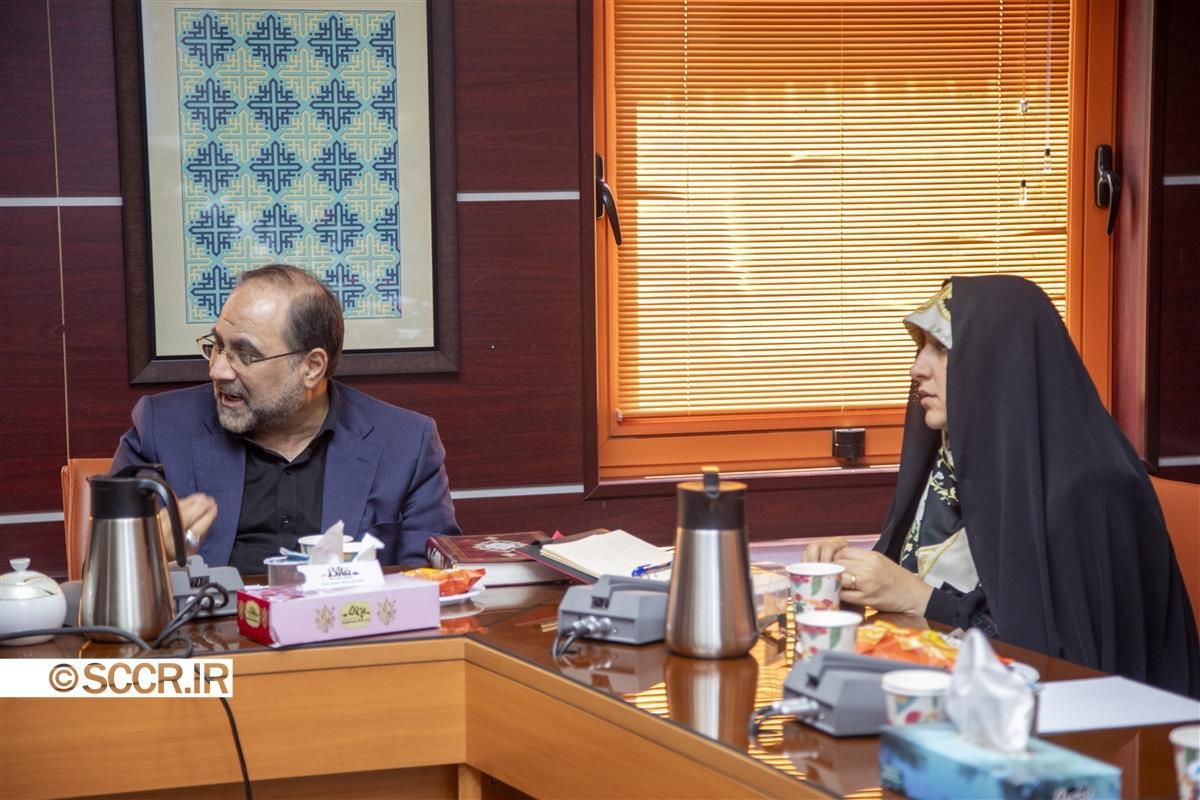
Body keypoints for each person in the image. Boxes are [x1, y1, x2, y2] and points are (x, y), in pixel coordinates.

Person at [804, 275, 1199, 697]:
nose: (917, 369)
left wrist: (921, 599)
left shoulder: (1092, 491)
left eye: (941, 348)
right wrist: (852, 574)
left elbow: (1067, 667)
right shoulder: (957, 463)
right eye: (921, 348)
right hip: (954, 692)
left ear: (1000, 361)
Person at [111, 264, 460, 573]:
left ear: (311, 367)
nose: (217, 370)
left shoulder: (406, 444)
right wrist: (147, 550)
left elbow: (433, 584)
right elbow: (103, 575)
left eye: (245, 355)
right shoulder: (161, 429)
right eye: (217, 346)